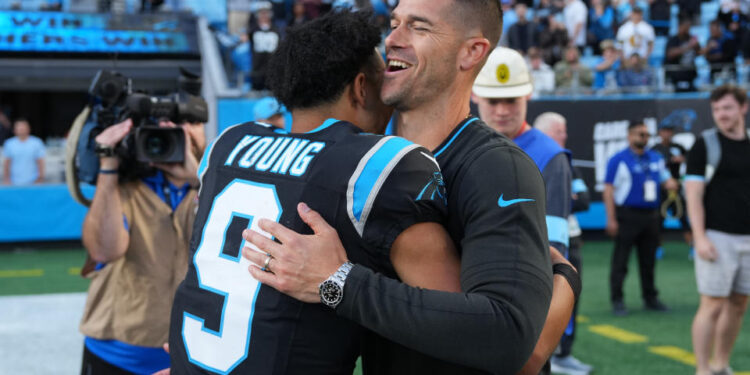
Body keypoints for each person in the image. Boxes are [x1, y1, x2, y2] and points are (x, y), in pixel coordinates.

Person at [242, 1, 580, 374]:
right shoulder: (363, 159)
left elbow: (510, 343)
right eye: (395, 23)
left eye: (418, 28)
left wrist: (337, 282)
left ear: (471, 51)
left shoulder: (497, 167)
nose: (393, 40)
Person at [168, 11, 464, 374]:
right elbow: (456, 320)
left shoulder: (227, 144)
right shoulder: (380, 162)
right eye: (381, 77)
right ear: (360, 88)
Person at [78, 112, 205, 374]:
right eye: (168, 125)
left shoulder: (213, 186)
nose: (181, 131)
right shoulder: (123, 188)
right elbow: (104, 250)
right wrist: (109, 166)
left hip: (194, 354)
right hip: (117, 355)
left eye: (191, 122)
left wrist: (199, 178)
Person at [686, 85, 750, 375]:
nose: (721, 115)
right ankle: (702, 369)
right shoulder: (705, 144)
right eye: (716, 109)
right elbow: (693, 196)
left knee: (738, 304)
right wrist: (699, 237)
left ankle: (721, 364)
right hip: (716, 237)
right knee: (711, 305)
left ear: (743, 108)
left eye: (727, 108)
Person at [535, 112, 594, 375]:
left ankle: (564, 353)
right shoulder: (529, 156)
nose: (565, 136)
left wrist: (555, 193)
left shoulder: (567, 162)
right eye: (560, 131)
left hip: (571, 239)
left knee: (570, 296)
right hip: (541, 243)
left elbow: (583, 199)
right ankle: (549, 353)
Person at [603, 120, 678, 316]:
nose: (644, 138)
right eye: (639, 134)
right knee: (621, 261)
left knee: (649, 261)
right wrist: (611, 218)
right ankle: (617, 300)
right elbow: (608, 190)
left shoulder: (656, 158)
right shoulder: (618, 159)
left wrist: (672, 183)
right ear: (629, 136)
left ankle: (650, 298)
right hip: (627, 215)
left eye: (646, 134)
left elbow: (666, 179)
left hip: (651, 216)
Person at [651, 121, 692, 247]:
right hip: (661, 189)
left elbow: (692, 160)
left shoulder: (678, 147)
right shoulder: (655, 149)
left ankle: (693, 247)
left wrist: (683, 159)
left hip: (676, 188)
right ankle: (657, 248)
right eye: (664, 131)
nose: (667, 133)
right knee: (658, 220)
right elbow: (652, 168)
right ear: (659, 132)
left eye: (669, 131)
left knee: (683, 217)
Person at [2, 118, 45, 185]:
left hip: (33, 182)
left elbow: (40, 162)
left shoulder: (37, 142)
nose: (21, 129)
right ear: (14, 130)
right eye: (19, 127)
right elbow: (7, 163)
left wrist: (40, 178)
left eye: (23, 127)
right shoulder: (9, 144)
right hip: (14, 182)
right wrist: (7, 179)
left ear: (28, 129)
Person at [248, 2, 281, 91]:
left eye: (266, 12)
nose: (264, 15)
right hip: (257, 72)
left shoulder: (276, 30)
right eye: (261, 13)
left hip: (272, 72)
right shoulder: (252, 30)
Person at [665, 17, 700, 92]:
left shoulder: (691, 38)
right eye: (685, 28)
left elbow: (700, 53)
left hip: (690, 76)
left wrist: (697, 46)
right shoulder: (673, 39)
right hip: (676, 75)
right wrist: (688, 46)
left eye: (688, 28)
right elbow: (670, 54)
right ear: (680, 27)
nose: (687, 30)